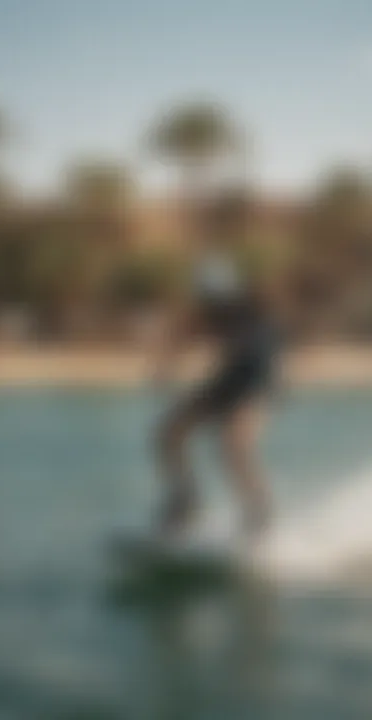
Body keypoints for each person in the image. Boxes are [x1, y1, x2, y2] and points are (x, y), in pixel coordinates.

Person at [152, 189, 288, 540]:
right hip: (228, 379)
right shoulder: (204, 310)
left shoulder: (253, 308)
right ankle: (185, 499)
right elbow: (182, 335)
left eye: (216, 294)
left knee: (233, 446)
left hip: (258, 384)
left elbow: (270, 346)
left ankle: (259, 514)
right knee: (169, 433)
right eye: (206, 294)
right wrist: (165, 366)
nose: (211, 301)